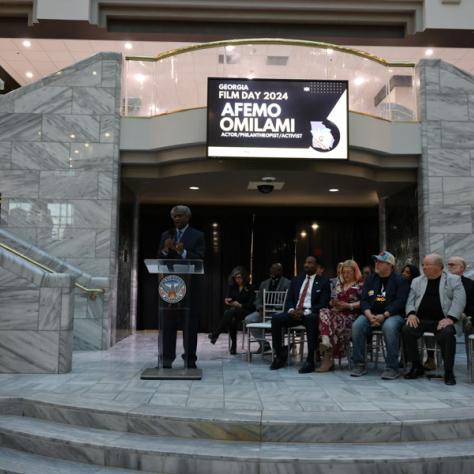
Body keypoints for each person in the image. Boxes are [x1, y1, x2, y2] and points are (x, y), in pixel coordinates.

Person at [403, 254, 466, 385]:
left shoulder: (453, 280)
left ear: (439, 267)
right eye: (423, 265)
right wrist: (411, 314)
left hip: (443, 320)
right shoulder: (417, 281)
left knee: (448, 334)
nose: (424, 268)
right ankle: (416, 366)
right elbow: (410, 301)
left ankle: (448, 371)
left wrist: (451, 318)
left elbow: (459, 301)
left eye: (427, 265)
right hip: (421, 320)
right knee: (407, 329)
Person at [157, 205, 205, 369]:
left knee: (189, 325)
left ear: (187, 217)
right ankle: (166, 358)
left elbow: (200, 258)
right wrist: (165, 250)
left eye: (179, 216)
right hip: (170, 286)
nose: (176, 219)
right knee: (168, 324)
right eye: (174, 216)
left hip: (190, 288)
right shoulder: (166, 235)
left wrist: (183, 252)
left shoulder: (198, 235)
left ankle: (190, 359)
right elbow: (159, 259)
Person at [350, 250, 410, 380]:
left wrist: (384, 315)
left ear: (390, 265)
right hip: (371, 314)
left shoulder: (400, 280)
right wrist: (369, 315)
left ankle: (392, 368)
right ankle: (359, 364)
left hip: (393, 315)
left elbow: (400, 302)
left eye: (380, 262)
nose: (376, 264)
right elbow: (364, 300)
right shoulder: (371, 278)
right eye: (376, 261)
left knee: (389, 327)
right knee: (357, 326)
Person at [270, 256, 331, 373]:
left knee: (312, 319)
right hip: (295, 313)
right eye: (305, 262)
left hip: (309, 313)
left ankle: (310, 361)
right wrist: (291, 310)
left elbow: (323, 303)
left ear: (317, 266)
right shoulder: (296, 280)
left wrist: (306, 311)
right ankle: (279, 355)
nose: (306, 265)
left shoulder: (323, 282)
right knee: (276, 318)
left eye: (310, 263)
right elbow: (289, 300)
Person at [317, 259, 362, 372]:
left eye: (349, 272)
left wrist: (348, 305)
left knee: (329, 323)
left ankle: (327, 354)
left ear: (355, 272)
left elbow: (365, 302)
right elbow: (333, 300)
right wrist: (333, 303)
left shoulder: (360, 285)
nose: (346, 275)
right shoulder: (339, 285)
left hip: (351, 318)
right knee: (324, 311)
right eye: (344, 272)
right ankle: (326, 342)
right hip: (337, 315)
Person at [244, 263, 291, 354]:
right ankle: (264, 344)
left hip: (278, 312)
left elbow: (289, 300)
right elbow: (258, 300)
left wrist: (282, 310)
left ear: (281, 271)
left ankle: (279, 347)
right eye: (271, 269)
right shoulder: (264, 283)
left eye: (275, 269)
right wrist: (260, 308)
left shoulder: (287, 283)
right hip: (265, 311)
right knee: (249, 319)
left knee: (278, 321)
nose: (272, 271)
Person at [209, 266, 255, 354]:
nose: (238, 280)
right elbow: (229, 298)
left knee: (229, 312)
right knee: (232, 319)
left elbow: (251, 305)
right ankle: (233, 345)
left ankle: (216, 335)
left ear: (244, 277)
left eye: (239, 277)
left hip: (246, 311)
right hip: (235, 312)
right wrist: (228, 301)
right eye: (236, 278)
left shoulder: (250, 288)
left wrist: (240, 305)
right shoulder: (233, 287)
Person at [447, 256, 474, 360]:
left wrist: (466, 314)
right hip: (447, 316)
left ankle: (471, 360)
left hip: (465, 316)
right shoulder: (442, 282)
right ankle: (432, 358)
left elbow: (472, 304)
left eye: (452, 265)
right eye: (448, 264)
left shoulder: (470, 284)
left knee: (470, 324)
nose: (449, 267)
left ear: (462, 268)